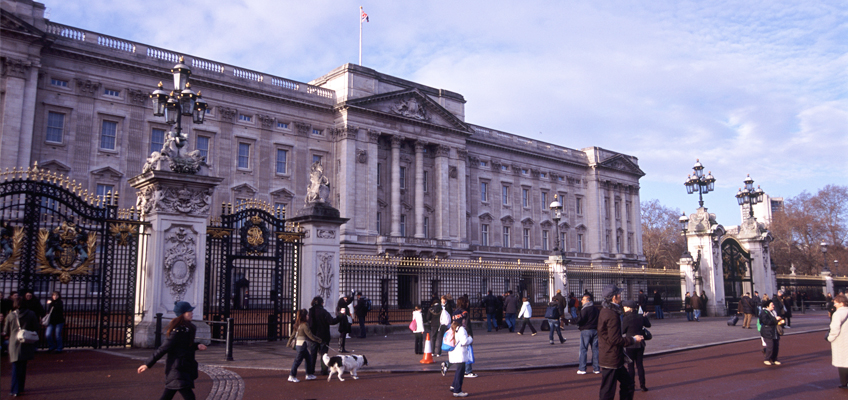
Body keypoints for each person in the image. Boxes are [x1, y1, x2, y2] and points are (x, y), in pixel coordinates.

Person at [138, 301, 208, 400]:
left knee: (167, 396)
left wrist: (197, 346)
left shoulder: (186, 329)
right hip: (178, 369)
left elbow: (184, 346)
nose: (192, 313)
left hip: (182, 368)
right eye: (189, 311)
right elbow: (163, 349)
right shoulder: (178, 331)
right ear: (182, 314)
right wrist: (147, 364)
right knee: (189, 396)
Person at [598, 284, 643, 400]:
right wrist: (633, 339)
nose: (620, 296)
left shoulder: (605, 310)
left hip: (610, 356)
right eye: (619, 294)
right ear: (614, 297)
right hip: (611, 358)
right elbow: (615, 339)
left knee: (627, 383)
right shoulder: (612, 314)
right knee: (608, 391)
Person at [4, 297, 38, 397]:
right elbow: (36, 327)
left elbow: (6, 331)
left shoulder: (11, 315)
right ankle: (21, 387)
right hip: (26, 341)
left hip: (15, 342)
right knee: (23, 366)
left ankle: (15, 390)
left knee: (15, 366)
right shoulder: (31, 313)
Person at [441, 296, 477, 378]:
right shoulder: (465, 312)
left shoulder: (455, 312)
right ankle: (468, 371)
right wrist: (470, 335)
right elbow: (467, 324)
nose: (468, 304)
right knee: (467, 352)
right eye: (467, 302)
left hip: (455, 332)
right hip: (463, 332)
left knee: (457, 352)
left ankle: (447, 364)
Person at [621, 300, 651, 392]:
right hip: (640, 343)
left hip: (630, 343)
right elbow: (648, 325)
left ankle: (632, 385)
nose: (624, 308)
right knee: (640, 365)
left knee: (631, 367)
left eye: (625, 307)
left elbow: (622, 331)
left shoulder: (626, 318)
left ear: (629, 308)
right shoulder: (640, 316)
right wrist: (645, 317)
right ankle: (643, 385)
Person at [308, 296, 340, 375]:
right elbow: (332, 321)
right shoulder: (323, 312)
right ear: (321, 303)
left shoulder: (311, 311)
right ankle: (324, 370)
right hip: (323, 337)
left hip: (313, 336)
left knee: (313, 355)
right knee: (323, 355)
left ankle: (311, 371)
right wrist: (340, 317)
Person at [286, 309, 321, 382]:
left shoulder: (297, 324)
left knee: (308, 359)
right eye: (307, 315)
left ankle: (309, 374)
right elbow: (310, 335)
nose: (308, 316)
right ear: (304, 316)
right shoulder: (305, 325)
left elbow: (292, 335)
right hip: (302, 345)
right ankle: (292, 375)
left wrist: (289, 343)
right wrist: (319, 340)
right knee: (297, 361)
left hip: (300, 345)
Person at [447, 320, 473, 397]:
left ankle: (454, 386)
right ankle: (457, 390)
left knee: (458, 370)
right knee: (460, 372)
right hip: (460, 353)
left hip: (453, 352)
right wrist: (470, 338)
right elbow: (464, 341)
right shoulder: (461, 329)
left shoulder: (451, 329)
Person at [827, 294, 848, 388]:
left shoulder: (838, 314)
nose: (834, 304)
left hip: (841, 340)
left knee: (842, 363)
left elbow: (835, 329)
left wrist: (829, 338)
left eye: (836, 303)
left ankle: (844, 383)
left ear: (841, 303)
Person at [577, 293, 600, 374]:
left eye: (583, 300)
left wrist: (573, 322)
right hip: (595, 330)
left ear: (587, 301)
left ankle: (582, 368)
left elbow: (580, 320)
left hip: (586, 330)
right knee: (595, 349)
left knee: (583, 349)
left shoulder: (584, 309)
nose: (581, 301)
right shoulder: (596, 309)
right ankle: (596, 368)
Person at [759, 299, 783, 366]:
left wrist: (781, 322)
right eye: (772, 305)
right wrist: (775, 319)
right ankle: (767, 359)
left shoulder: (774, 312)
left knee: (776, 346)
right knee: (770, 346)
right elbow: (766, 321)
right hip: (767, 331)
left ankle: (774, 359)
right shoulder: (764, 312)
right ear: (767, 306)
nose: (773, 306)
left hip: (775, 331)